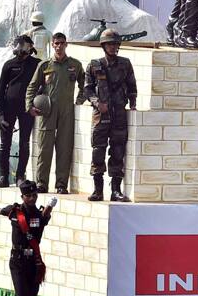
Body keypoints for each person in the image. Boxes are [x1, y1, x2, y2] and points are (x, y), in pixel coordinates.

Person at [26, 33, 86, 194]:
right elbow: (32, 86)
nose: (59, 46)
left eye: (62, 43)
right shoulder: (45, 66)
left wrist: (80, 100)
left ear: (66, 45)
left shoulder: (75, 65)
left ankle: (61, 185)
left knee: (64, 149)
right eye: (56, 43)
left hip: (67, 112)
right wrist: (29, 106)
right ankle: (42, 184)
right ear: (52, 45)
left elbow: (85, 84)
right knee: (45, 149)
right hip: (48, 112)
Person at [85, 29, 137, 202]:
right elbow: (87, 88)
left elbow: (131, 85)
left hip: (119, 113)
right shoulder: (94, 65)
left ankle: (116, 190)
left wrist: (133, 102)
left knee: (118, 151)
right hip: (101, 114)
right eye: (110, 44)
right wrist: (97, 103)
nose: (113, 47)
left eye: (115, 44)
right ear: (103, 45)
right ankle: (97, 189)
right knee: (98, 151)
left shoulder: (125, 64)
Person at [0, 37, 40, 188]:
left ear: (29, 47)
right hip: (8, 108)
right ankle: (3, 177)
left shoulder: (36, 64)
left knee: (24, 143)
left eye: (22, 45)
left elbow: (43, 85)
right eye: (18, 45)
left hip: (27, 108)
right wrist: (0, 114)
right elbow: (1, 91)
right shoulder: (9, 65)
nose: (19, 48)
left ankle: (20, 176)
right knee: (4, 144)